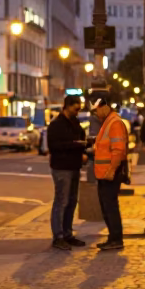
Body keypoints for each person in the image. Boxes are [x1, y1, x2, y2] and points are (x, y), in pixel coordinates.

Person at [46, 94, 88, 252]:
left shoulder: (75, 122)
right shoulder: (57, 124)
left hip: (74, 166)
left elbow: (80, 138)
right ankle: (58, 236)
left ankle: (67, 233)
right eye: (76, 108)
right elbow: (55, 146)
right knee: (61, 201)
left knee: (71, 201)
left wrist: (84, 147)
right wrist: (76, 145)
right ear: (68, 106)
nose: (78, 111)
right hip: (61, 167)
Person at [91, 95, 128, 250]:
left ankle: (116, 239)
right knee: (107, 206)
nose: (96, 115)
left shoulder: (114, 123)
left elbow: (118, 150)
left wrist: (112, 170)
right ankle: (113, 238)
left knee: (110, 206)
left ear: (104, 107)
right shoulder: (108, 122)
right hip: (104, 173)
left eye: (97, 111)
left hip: (110, 173)